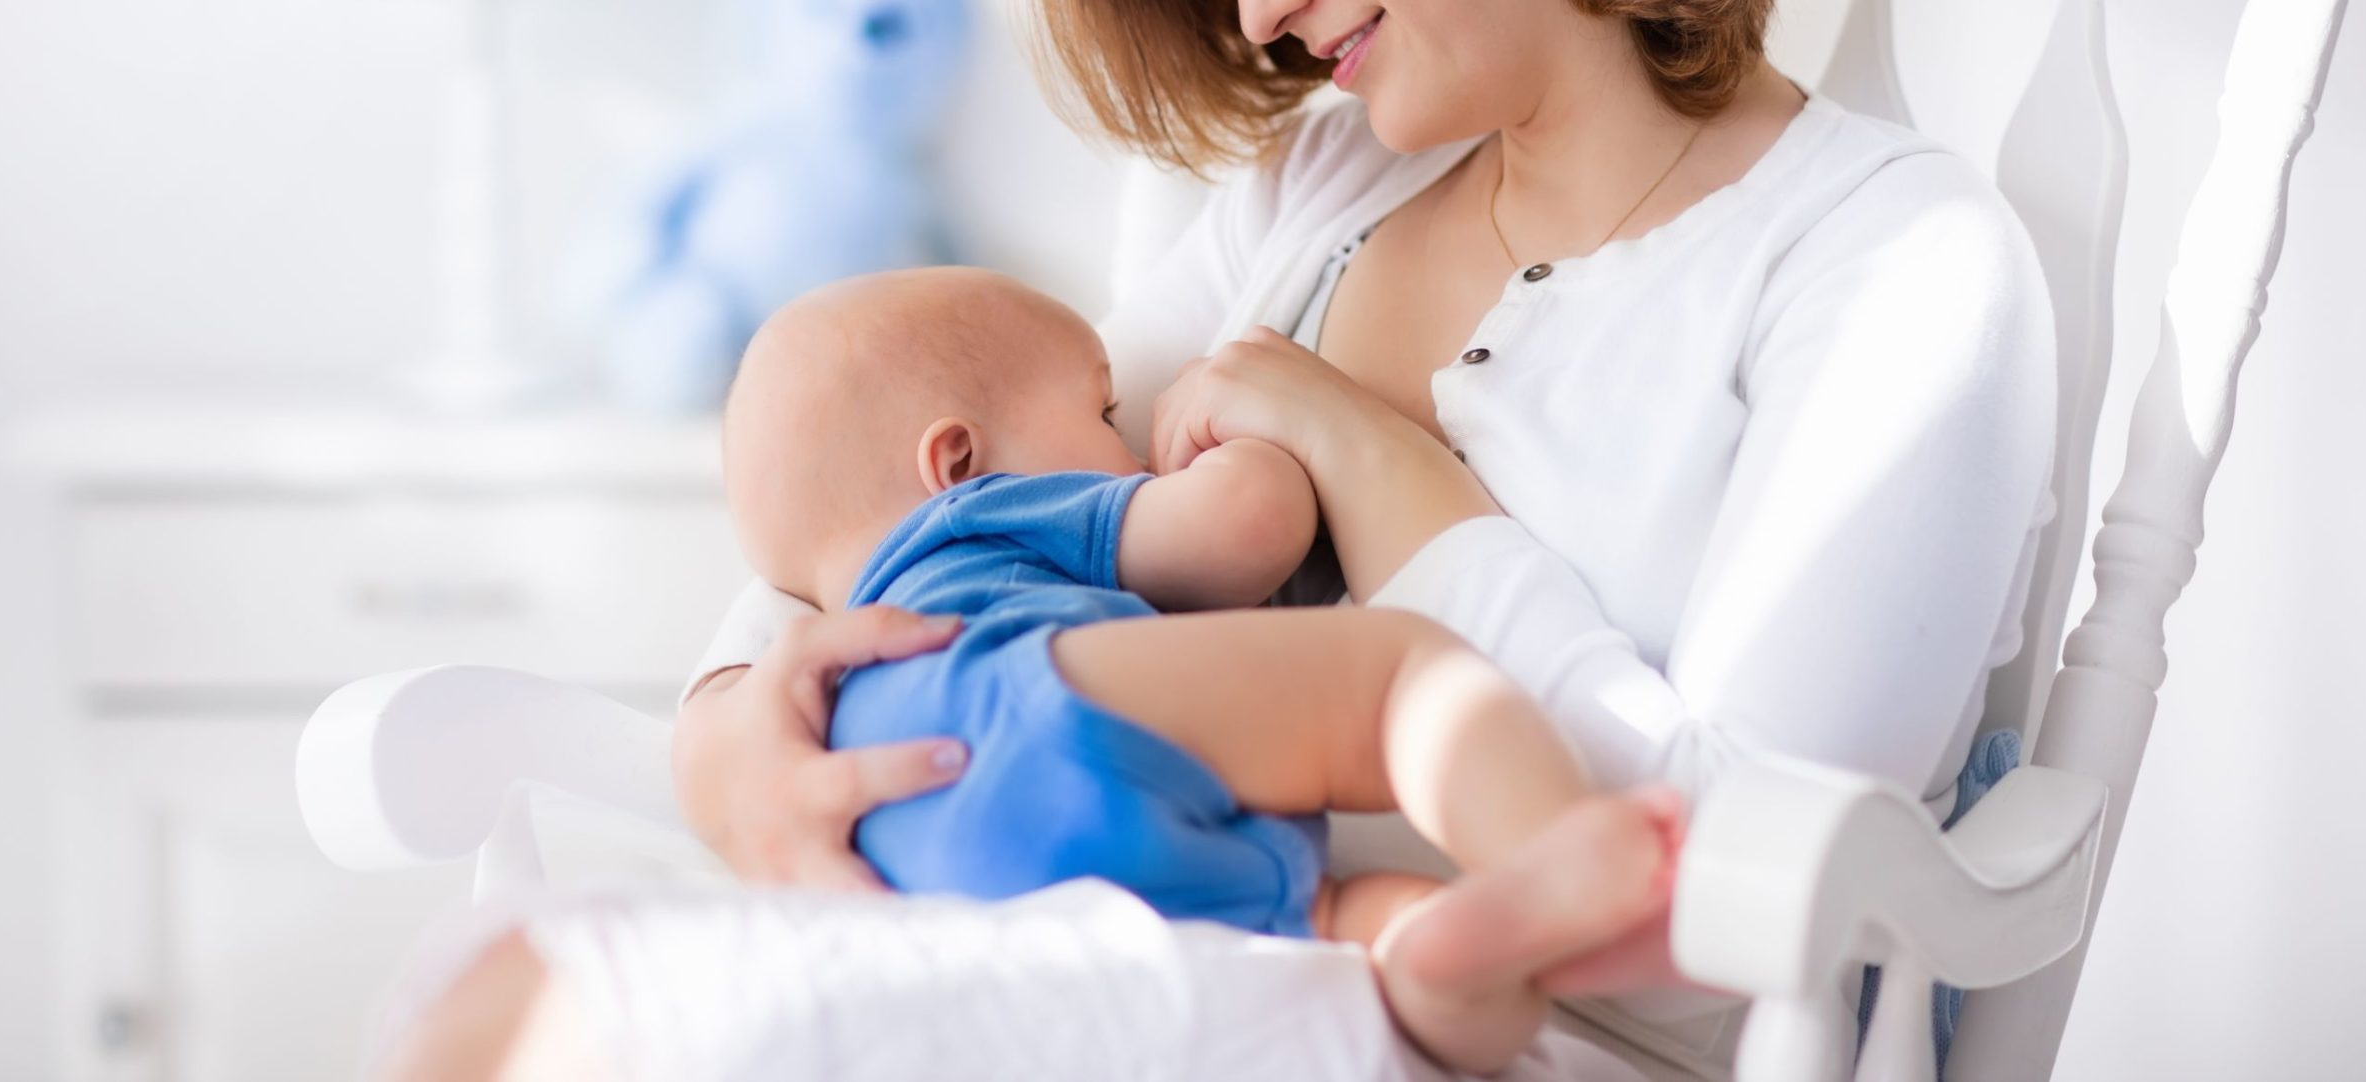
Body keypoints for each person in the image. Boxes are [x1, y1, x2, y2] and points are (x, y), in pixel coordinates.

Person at [671, 0, 2057, 1074]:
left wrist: (1380, 465)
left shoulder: (1891, 266)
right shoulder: (1318, 188)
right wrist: (731, 735)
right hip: (1140, 988)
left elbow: (1739, 924)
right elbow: (932, 479)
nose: (1258, 5)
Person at [714, 262, 1689, 1072]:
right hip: (1025, 702)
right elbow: (1248, 527)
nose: (1129, 441)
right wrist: (1241, 452)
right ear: (958, 458)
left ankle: (1432, 953)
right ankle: (1563, 855)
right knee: (1396, 680)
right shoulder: (983, 514)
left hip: (916, 863)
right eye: (1104, 409)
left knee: (1324, 923)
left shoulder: (834, 663)